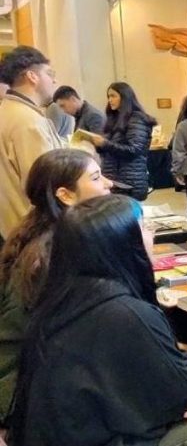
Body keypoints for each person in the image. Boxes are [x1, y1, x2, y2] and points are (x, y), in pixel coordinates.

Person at [7, 194, 187, 446]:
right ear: (123, 243)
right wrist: (186, 377)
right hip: (99, 436)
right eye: (144, 227)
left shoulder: (67, 295)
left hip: (77, 428)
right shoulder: (123, 311)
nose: (152, 235)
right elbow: (183, 386)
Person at [0, 149, 112, 426]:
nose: (108, 183)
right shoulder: (57, 254)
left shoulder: (42, 236)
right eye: (96, 178)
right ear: (65, 195)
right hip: (29, 396)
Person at [0, 46, 65, 243]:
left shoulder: (8, 111)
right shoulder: (28, 121)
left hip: (14, 231)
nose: (54, 81)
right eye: (50, 74)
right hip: (36, 234)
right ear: (32, 76)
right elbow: (44, 185)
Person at [77, 82, 157, 201]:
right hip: (114, 180)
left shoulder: (137, 118)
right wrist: (96, 144)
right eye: (108, 96)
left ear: (125, 97)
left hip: (130, 182)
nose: (110, 100)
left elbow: (134, 150)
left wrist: (104, 143)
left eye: (113, 96)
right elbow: (110, 152)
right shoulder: (114, 119)